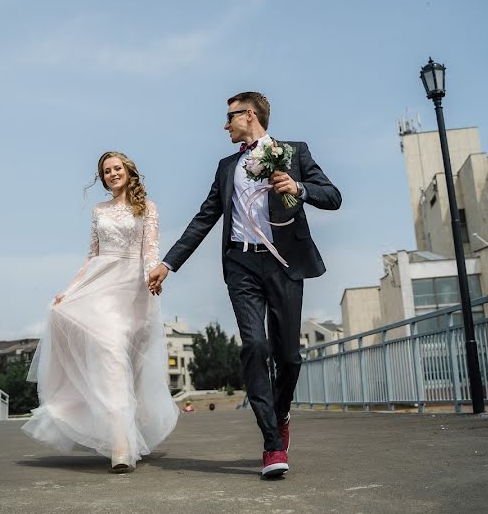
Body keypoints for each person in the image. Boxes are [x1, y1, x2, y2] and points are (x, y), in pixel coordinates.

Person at [148, 92, 341, 478]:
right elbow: (205, 218)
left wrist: (299, 188)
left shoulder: (294, 152)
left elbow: (333, 197)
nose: (225, 125)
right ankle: (272, 443)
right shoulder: (225, 167)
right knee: (255, 344)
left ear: (248, 115)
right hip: (240, 263)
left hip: (284, 263)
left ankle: (280, 411)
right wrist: (169, 263)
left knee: (288, 356)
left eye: (229, 117)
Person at [22, 151, 178, 474]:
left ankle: (133, 432)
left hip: (133, 289)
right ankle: (120, 446)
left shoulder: (147, 209)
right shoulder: (98, 211)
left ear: (128, 170)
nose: (112, 174)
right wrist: (68, 291)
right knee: (108, 352)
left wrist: (154, 275)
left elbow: (150, 251)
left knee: (129, 366)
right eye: (106, 171)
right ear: (102, 177)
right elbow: (91, 256)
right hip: (100, 285)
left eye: (116, 168)